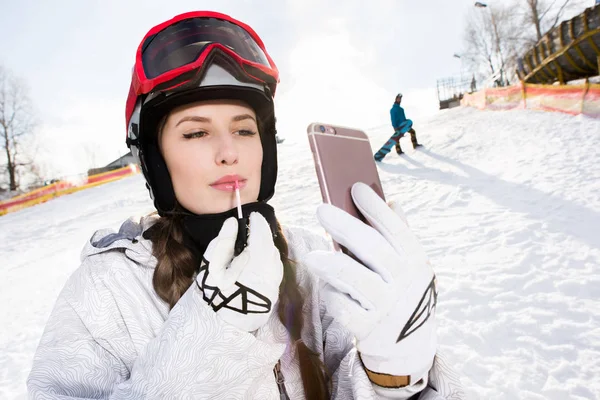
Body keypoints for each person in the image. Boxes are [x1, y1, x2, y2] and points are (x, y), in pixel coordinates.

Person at [27, 11, 464, 400]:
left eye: (244, 130)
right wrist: (212, 335)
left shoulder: (312, 258)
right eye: (196, 133)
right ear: (155, 161)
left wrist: (394, 378)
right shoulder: (107, 288)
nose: (228, 152)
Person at [374, 93, 421, 161]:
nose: (399, 100)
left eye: (400, 99)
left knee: (412, 131)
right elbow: (393, 119)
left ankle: (415, 144)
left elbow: (404, 117)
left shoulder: (401, 109)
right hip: (398, 126)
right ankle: (398, 150)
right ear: (396, 99)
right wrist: (395, 127)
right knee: (396, 138)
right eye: (398, 98)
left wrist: (406, 124)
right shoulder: (393, 109)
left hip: (404, 125)